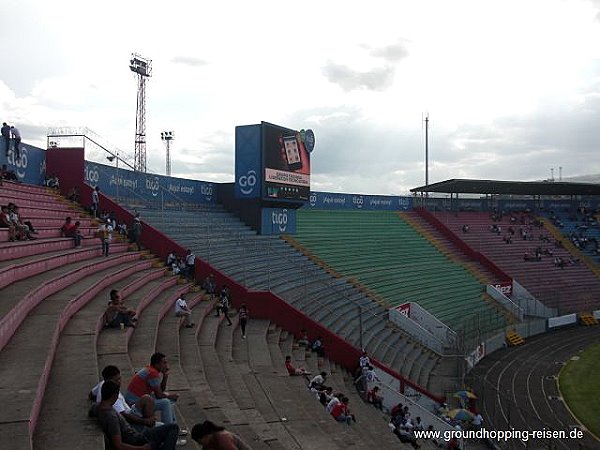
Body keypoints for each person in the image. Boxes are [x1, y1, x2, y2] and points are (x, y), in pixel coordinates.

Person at [97, 380, 180, 450]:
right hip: (138, 440)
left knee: (167, 439)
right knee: (173, 428)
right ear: (114, 396)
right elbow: (118, 445)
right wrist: (142, 448)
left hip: (137, 435)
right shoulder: (112, 418)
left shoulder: (97, 407)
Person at [125, 352, 186, 432]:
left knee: (169, 400)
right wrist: (172, 396)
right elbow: (159, 395)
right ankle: (168, 432)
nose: (166, 365)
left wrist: (165, 376)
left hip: (140, 399)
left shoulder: (151, 370)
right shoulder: (152, 373)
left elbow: (160, 390)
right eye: (164, 362)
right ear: (157, 364)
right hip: (135, 404)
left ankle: (174, 428)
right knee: (166, 402)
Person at [90, 365, 158, 429]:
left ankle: (152, 424)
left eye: (119, 378)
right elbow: (124, 416)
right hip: (131, 418)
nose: (119, 382)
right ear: (108, 380)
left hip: (128, 409)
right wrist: (145, 421)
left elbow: (92, 394)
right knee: (147, 399)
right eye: (116, 380)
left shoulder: (102, 384)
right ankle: (150, 426)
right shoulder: (113, 397)